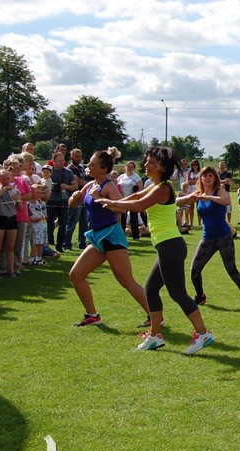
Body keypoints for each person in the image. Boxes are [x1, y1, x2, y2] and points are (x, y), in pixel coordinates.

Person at [98, 146, 216, 355]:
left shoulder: (163, 188)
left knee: (178, 293)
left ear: (161, 166)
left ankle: (203, 333)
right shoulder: (156, 185)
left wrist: (111, 202)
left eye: (150, 162)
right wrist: (112, 203)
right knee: (150, 290)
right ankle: (155, 336)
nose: (146, 164)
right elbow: (133, 199)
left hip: (171, 246)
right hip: (166, 247)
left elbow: (140, 205)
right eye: (146, 161)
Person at [66, 148, 151, 328]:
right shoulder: (89, 185)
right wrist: (74, 199)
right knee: (76, 274)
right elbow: (74, 204)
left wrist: (98, 198)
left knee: (125, 280)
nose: (88, 166)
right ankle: (92, 315)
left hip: (111, 236)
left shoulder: (108, 186)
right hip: (97, 237)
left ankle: (155, 315)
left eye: (93, 164)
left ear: (103, 169)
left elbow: (121, 208)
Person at [177, 166, 240, 307]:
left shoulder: (220, 191)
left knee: (231, 269)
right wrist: (185, 197)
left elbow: (226, 201)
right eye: (204, 175)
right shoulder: (198, 194)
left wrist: (209, 197)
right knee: (195, 270)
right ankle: (200, 296)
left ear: (215, 179)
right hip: (207, 238)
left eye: (210, 176)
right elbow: (178, 201)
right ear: (201, 178)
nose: (207, 178)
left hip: (224, 237)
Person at [116, 161, 143, 239]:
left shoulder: (136, 177)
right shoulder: (121, 177)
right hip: (122, 198)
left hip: (132, 199)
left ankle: (136, 235)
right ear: (125, 167)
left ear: (134, 168)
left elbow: (141, 188)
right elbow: (117, 186)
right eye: (128, 166)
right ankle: (122, 234)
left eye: (131, 167)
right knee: (122, 217)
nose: (130, 168)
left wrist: (134, 196)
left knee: (134, 217)